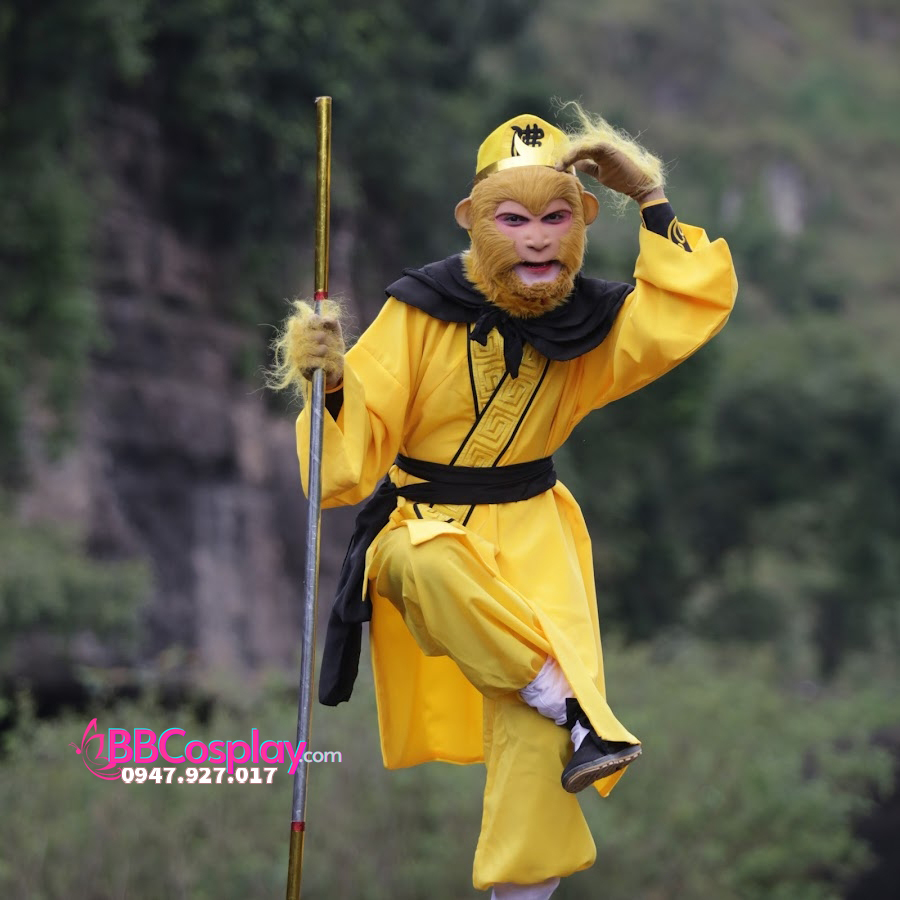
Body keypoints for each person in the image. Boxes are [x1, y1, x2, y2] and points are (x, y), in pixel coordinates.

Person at [272, 105, 738, 898]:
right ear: (473, 221)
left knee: (537, 741)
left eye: (556, 218)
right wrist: (332, 379)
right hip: (422, 519)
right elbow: (346, 464)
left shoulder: (592, 324)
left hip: (536, 537)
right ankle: (565, 696)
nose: (538, 239)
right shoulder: (419, 308)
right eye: (514, 219)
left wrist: (651, 199)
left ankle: (534, 833)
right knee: (418, 562)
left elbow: (681, 316)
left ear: (581, 224)